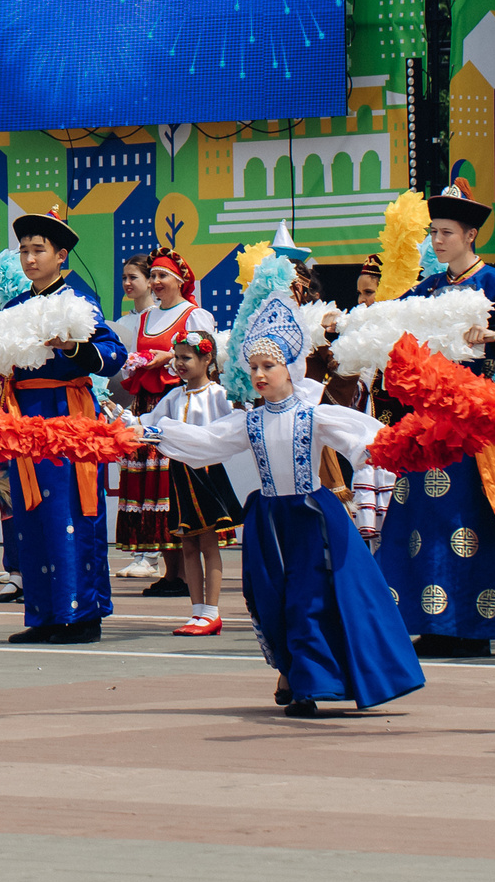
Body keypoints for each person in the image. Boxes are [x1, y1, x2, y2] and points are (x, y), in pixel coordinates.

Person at [140, 296, 423, 716]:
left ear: (291, 368)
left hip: (312, 519)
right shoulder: (250, 421)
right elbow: (206, 442)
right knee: (271, 599)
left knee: (308, 600)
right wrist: (145, 431)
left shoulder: (315, 415)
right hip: (270, 521)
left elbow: (365, 441)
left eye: (268, 366)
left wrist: (394, 451)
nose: (258, 374)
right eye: (253, 367)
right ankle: (290, 672)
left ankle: (309, 685)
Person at [375, 187, 495, 657]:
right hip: (428, 422)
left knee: (471, 519)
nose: (437, 241)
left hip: (474, 421)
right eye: (433, 232)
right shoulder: (427, 290)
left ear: (471, 236)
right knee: (421, 521)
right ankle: (429, 622)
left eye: (446, 233)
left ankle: (472, 626)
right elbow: (388, 322)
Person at [0, 210, 127, 644]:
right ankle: (44, 615)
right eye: (24, 250)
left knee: (71, 511)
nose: (29, 259)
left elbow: (113, 354)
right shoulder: (12, 308)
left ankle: (82, 615)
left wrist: (75, 347)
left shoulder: (77, 304)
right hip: (24, 417)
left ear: (61, 256)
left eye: (38, 250)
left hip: (67, 415)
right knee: (31, 514)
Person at [110, 249, 210, 595]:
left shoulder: (194, 315)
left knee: (173, 485)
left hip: (177, 406)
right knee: (152, 489)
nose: (155, 282)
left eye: (162, 275)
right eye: (152, 275)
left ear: (180, 281)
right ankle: (171, 573)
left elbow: (207, 359)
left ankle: (186, 575)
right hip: (147, 406)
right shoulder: (146, 318)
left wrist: (170, 358)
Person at [154, 329, 243, 633]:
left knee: (208, 543)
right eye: (176, 357)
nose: (179, 363)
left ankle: (212, 611)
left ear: (207, 359)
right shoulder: (173, 396)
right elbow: (150, 423)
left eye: (186, 357)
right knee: (188, 544)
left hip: (205, 471)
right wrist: (122, 418)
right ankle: (196, 611)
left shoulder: (218, 394)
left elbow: (234, 423)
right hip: (179, 472)